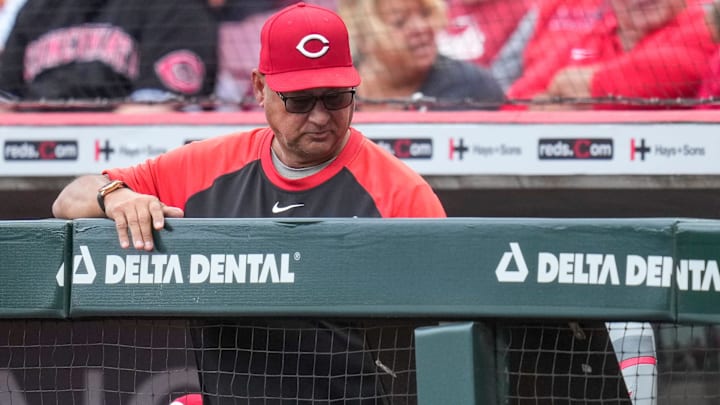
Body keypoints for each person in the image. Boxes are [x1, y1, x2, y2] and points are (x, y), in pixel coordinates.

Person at [53, 2, 446, 403]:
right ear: (260, 88)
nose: (320, 117)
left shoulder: (400, 192)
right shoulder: (206, 165)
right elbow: (69, 199)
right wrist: (114, 195)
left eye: (335, 98)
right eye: (299, 100)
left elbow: (444, 339)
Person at [0, 0, 218, 112]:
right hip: (33, 150)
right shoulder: (38, 8)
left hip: (130, 169)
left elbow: (156, 111)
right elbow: (5, 102)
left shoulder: (172, 5)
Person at [505, 0, 718, 110]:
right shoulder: (592, 38)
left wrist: (569, 85)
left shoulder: (704, 27)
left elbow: (676, 75)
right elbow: (512, 104)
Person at [337, 0, 504, 111]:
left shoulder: (472, 86)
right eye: (399, 22)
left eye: (426, 14)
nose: (421, 27)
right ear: (364, 39)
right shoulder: (336, 91)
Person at [435, 0, 535, 90]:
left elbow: (504, 75)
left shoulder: (520, 8)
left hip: (479, 97)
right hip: (434, 89)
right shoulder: (445, 7)